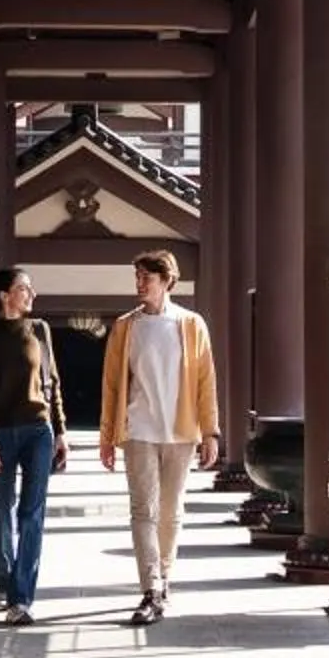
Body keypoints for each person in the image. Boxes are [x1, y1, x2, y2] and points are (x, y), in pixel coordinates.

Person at [97, 250, 220, 627]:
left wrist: (210, 431)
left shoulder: (191, 324)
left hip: (180, 431)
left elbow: (205, 382)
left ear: (167, 281)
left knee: (171, 511)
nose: (140, 284)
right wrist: (107, 436)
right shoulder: (125, 327)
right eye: (137, 277)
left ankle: (164, 578)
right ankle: (150, 588)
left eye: (146, 278)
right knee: (143, 510)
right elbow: (113, 384)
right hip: (139, 430)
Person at [0, 266, 66, 627]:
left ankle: (22, 598)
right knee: (0, 510)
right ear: (4, 295)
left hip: (39, 431)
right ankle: (5, 581)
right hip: (1, 434)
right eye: (24, 289)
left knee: (32, 513)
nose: (31, 295)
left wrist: (61, 431)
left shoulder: (39, 330)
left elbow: (51, 381)